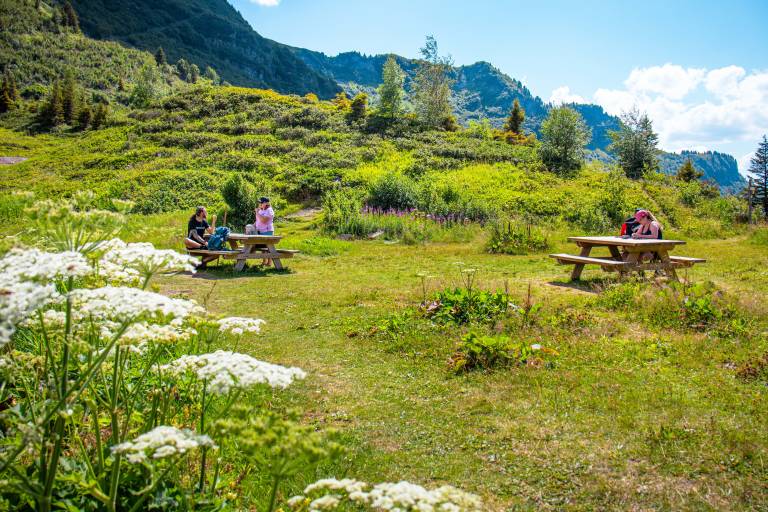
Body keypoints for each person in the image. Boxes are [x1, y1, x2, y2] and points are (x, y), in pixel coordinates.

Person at [246, 197, 275, 266]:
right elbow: (258, 220)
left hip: (267, 231)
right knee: (262, 247)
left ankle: (269, 262)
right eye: (259, 202)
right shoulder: (261, 210)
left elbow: (263, 220)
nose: (260, 204)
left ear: (266, 203)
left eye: (261, 202)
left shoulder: (269, 210)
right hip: (260, 231)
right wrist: (252, 226)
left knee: (268, 247)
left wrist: (256, 212)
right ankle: (264, 261)